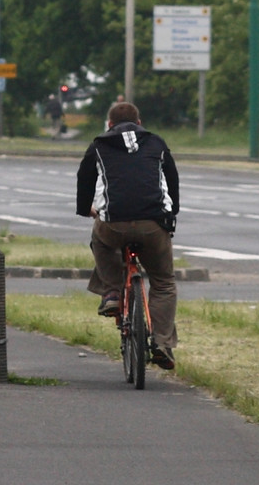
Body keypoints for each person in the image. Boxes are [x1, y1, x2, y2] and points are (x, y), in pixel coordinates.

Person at [75, 102, 180, 370]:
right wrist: (172, 212)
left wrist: (84, 208)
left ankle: (111, 292)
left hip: (114, 224)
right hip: (153, 225)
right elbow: (172, 179)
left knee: (100, 239)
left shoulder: (98, 145)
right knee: (163, 282)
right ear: (140, 123)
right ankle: (162, 343)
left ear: (109, 124)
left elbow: (84, 179)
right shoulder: (157, 143)